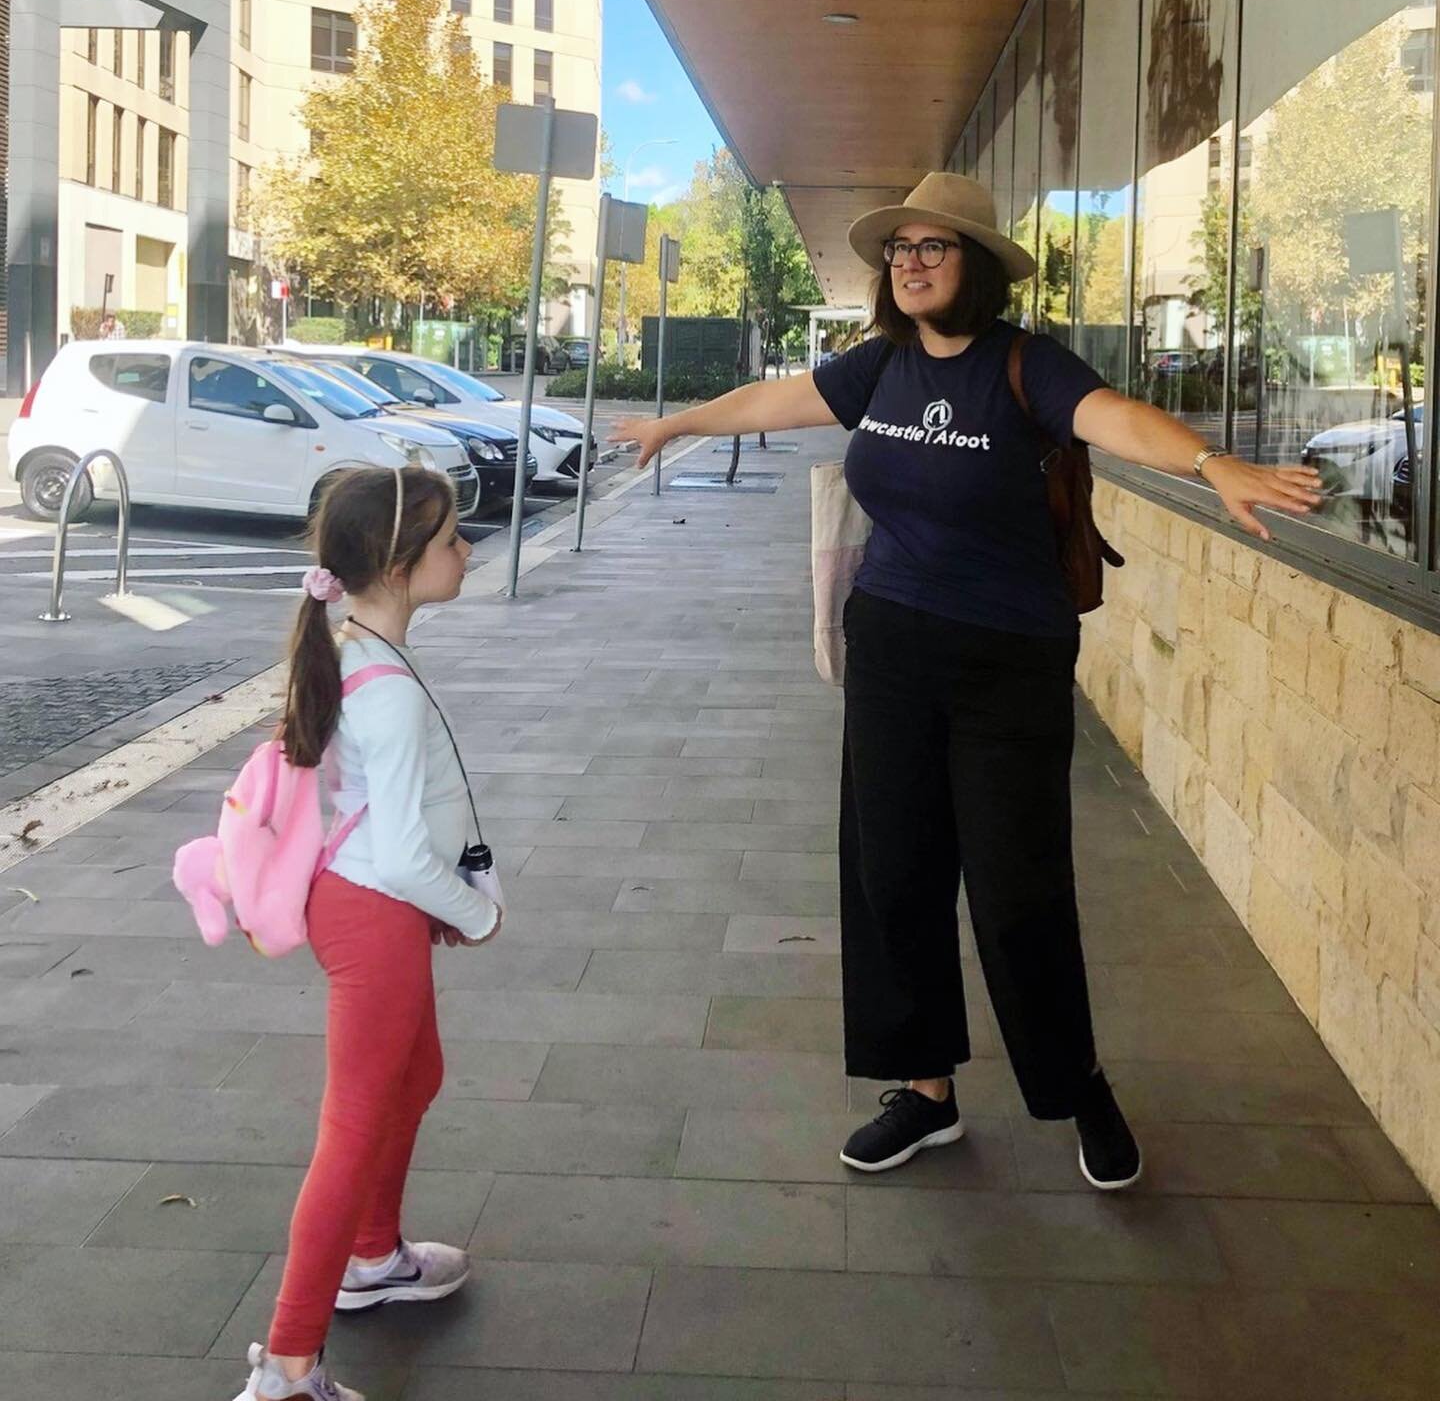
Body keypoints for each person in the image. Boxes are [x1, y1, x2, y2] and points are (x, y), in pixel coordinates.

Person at [609, 172, 1321, 1191]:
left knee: (1016, 889)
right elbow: (779, 397)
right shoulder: (879, 370)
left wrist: (1212, 465)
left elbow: (1116, 419)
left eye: (932, 249)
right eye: (899, 250)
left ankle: (1079, 1086)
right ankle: (923, 1090)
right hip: (893, 644)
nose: (911, 263)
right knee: (891, 871)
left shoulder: (1025, 367)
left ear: (974, 266)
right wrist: (678, 425)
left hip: (1007, 661)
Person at [234, 467, 502, 1401]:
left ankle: (374, 1254)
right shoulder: (380, 688)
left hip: (368, 908)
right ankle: (289, 1366)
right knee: (350, 1130)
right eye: (450, 540)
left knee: (414, 1075)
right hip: (372, 913)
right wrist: (475, 909)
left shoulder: (357, 651)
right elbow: (394, 855)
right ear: (395, 564)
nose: (466, 551)